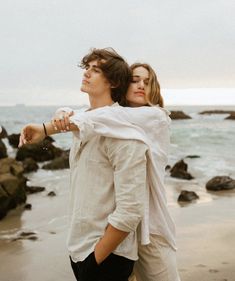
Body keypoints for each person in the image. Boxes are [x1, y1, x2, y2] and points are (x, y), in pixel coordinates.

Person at [19, 48, 149, 281]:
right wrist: (48, 126)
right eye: (87, 67)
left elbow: (131, 210)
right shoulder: (82, 121)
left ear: (113, 81)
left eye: (96, 70)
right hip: (79, 249)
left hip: (109, 256)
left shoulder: (124, 133)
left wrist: (95, 259)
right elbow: (76, 118)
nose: (87, 73)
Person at [52, 63, 181, 281]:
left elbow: (98, 117)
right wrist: (63, 113)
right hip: (120, 232)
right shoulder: (113, 120)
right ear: (122, 83)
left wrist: (50, 127)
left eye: (147, 82)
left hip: (150, 228)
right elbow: (95, 116)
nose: (141, 85)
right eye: (135, 80)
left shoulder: (154, 117)